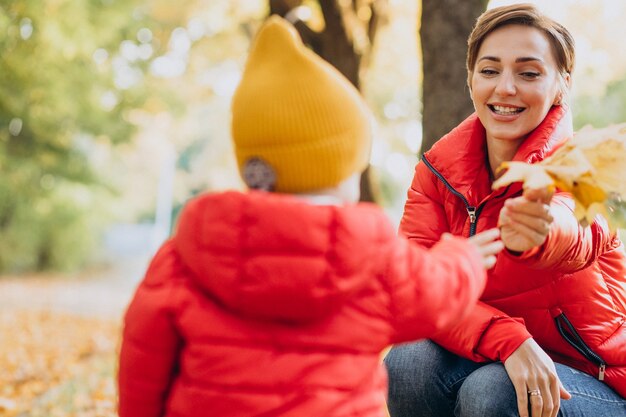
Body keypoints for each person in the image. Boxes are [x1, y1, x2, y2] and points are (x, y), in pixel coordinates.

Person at [117, 16, 504, 417]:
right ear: (341, 170)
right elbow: (435, 295)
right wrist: (464, 259)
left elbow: (142, 366)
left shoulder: (184, 256)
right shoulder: (371, 255)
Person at [385, 4, 626, 417]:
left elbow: (578, 232)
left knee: (495, 390)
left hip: (601, 380)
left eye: (529, 73)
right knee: (408, 361)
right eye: (490, 70)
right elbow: (416, 290)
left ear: (562, 84)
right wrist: (506, 338)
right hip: (498, 354)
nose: (506, 88)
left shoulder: (580, 165)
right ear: (471, 79)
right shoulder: (436, 174)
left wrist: (541, 233)